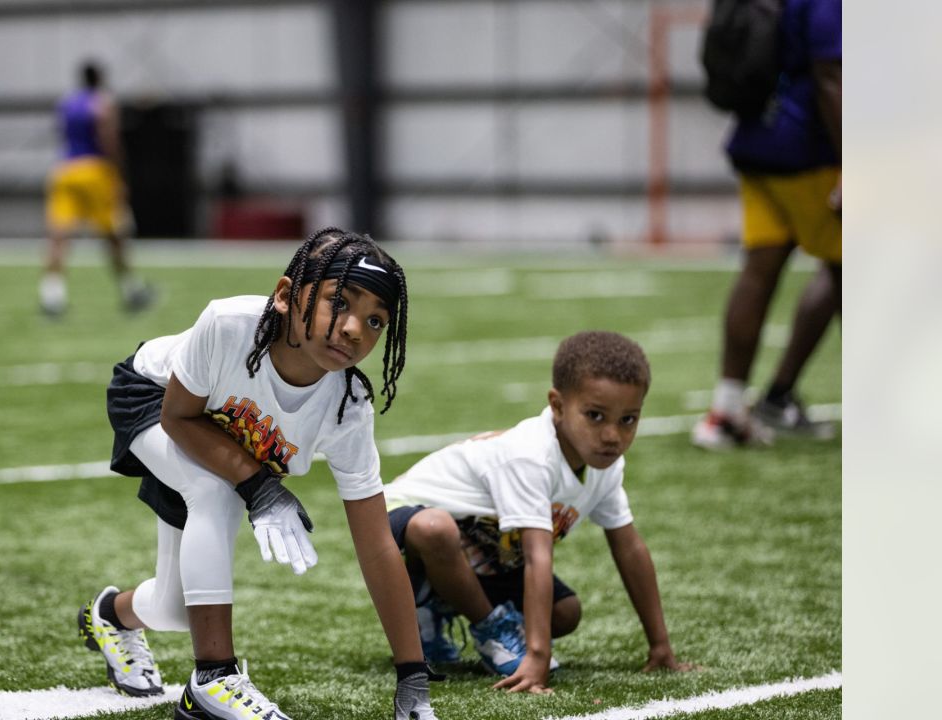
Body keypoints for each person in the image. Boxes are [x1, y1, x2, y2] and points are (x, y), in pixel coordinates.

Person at [77, 228, 443, 719]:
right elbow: (179, 417)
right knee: (218, 491)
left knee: (173, 609)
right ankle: (212, 680)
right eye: (340, 302)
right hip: (155, 397)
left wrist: (412, 676)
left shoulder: (347, 408)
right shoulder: (229, 324)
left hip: (216, 444)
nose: (356, 328)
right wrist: (260, 487)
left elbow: (377, 545)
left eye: (376, 319)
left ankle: (109, 616)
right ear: (287, 295)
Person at [383, 332, 694, 694]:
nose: (612, 435)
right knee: (434, 528)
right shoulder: (531, 456)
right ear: (558, 406)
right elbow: (537, 557)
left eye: (628, 419)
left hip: (482, 544)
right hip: (402, 518)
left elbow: (630, 548)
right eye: (595, 416)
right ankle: (482, 626)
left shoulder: (605, 465)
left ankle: (435, 606)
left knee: (565, 613)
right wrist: (537, 655)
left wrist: (660, 646)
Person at [692, 0, 841, 449]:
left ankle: (727, 410)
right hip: (806, 151)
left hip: (756, 140)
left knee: (759, 272)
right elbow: (830, 77)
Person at [40, 61, 152, 316]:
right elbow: (108, 138)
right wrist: (118, 173)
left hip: (65, 170)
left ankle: (51, 296)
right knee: (113, 233)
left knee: (59, 235)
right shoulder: (103, 102)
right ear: (100, 78)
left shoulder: (67, 103)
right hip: (95, 171)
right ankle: (131, 290)